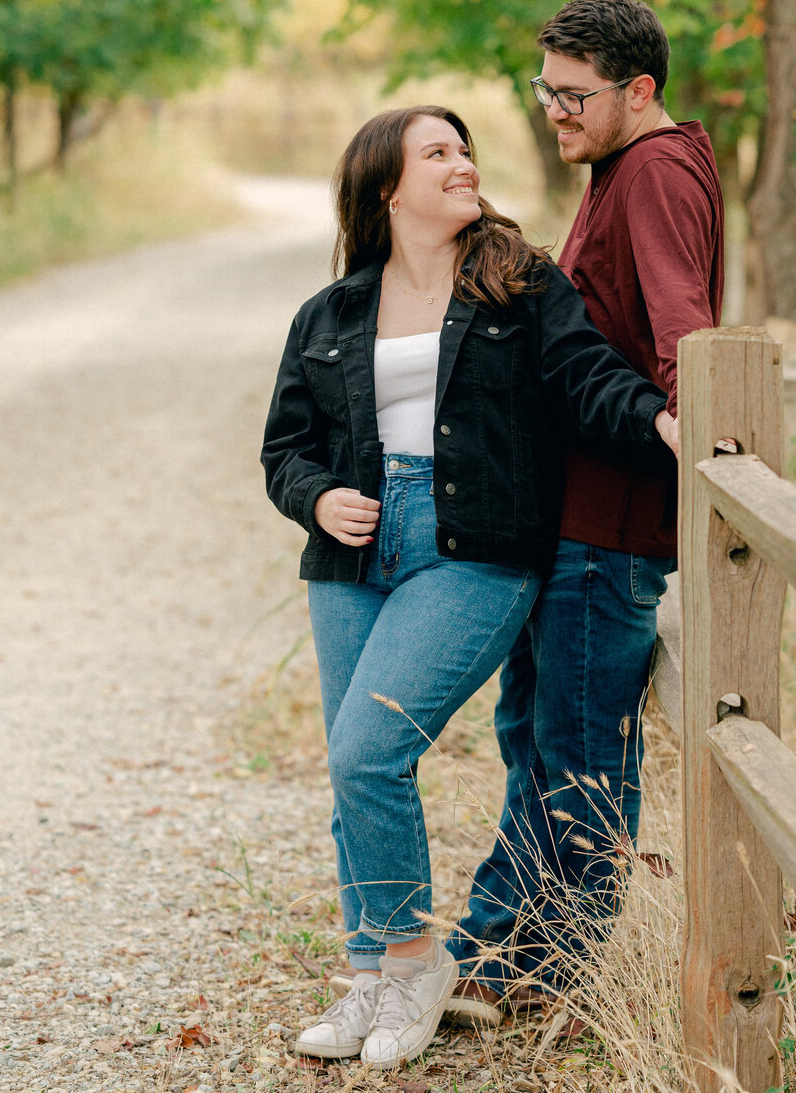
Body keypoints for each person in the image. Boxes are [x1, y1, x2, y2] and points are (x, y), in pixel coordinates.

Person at [261, 104, 677, 1071]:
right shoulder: (329, 314)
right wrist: (318, 498)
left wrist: (661, 419)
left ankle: (414, 966)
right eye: (436, 153)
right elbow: (286, 449)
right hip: (355, 554)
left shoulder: (517, 282)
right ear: (386, 189)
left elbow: (584, 377)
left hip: (475, 553)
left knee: (369, 751)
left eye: (463, 148)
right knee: (351, 769)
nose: (462, 163)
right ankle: (372, 974)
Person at [449, 0, 725, 1013]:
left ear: (636, 89)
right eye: (545, 91)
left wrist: (696, 423)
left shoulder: (653, 170)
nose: (554, 111)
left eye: (573, 95)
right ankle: (500, 957)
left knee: (577, 757)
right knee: (536, 737)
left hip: (607, 532)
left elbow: (681, 324)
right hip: (571, 523)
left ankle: (541, 974)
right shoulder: (628, 164)